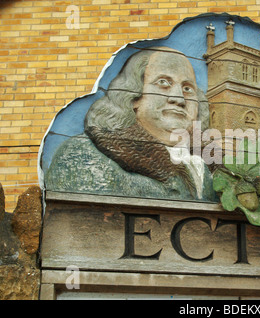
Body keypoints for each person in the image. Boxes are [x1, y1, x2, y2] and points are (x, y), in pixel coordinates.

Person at [46, 47, 217, 202]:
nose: (179, 99)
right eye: (163, 83)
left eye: (188, 89)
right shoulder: (80, 154)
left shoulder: (214, 166)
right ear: (133, 96)